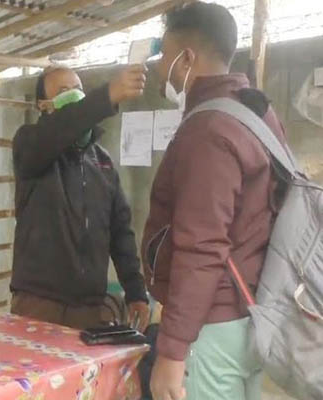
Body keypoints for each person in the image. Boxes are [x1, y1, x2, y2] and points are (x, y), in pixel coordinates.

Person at [143, 3, 288, 400]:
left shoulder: (207, 130)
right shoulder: (257, 112)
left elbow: (201, 245)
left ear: (187, 58)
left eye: (164, 55)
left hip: (213, 327)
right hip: (257, 315)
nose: (160, 68)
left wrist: (172, 351)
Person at [10, 64, 150, 331]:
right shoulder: (30, 144)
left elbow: (120, 232)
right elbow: (61, 128)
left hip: (90, 308)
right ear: (44, 105)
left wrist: (136, 291)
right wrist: (107, 95)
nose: (75, 96)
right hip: (39, 305)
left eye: (78, 89)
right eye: (64, 91)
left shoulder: (102, 162)